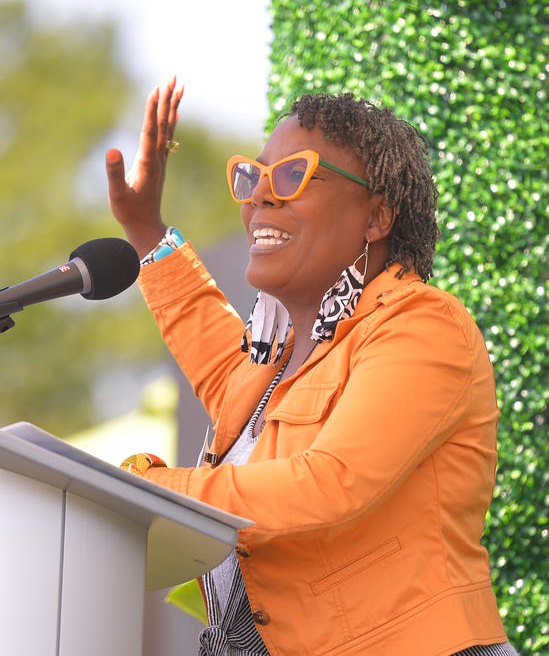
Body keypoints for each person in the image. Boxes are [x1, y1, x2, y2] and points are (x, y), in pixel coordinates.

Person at [105, 76, 518, 656]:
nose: (260, 198)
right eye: (253, 177)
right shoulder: (272, 361)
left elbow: (330, 481)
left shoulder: (424, 326)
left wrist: (152, 492)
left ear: (376, 217)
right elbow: (207, 339)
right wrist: (145, 229)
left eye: (294, 175)